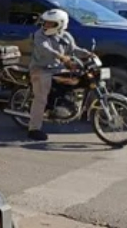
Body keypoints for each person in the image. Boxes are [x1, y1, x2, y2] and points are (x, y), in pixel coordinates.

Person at [27, 9, 91, 141]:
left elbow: (74, 49)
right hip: (41, 69)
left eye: (51, 24)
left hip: (58, 68)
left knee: (76, 79)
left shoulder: (66, 36)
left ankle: (64, 105)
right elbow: (45, 49)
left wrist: (88, 54)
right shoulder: (39, 35)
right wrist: (62, 57)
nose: (46, 26)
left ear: (61, 24)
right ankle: (34, 129)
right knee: (41, 98)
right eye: (45, 23)